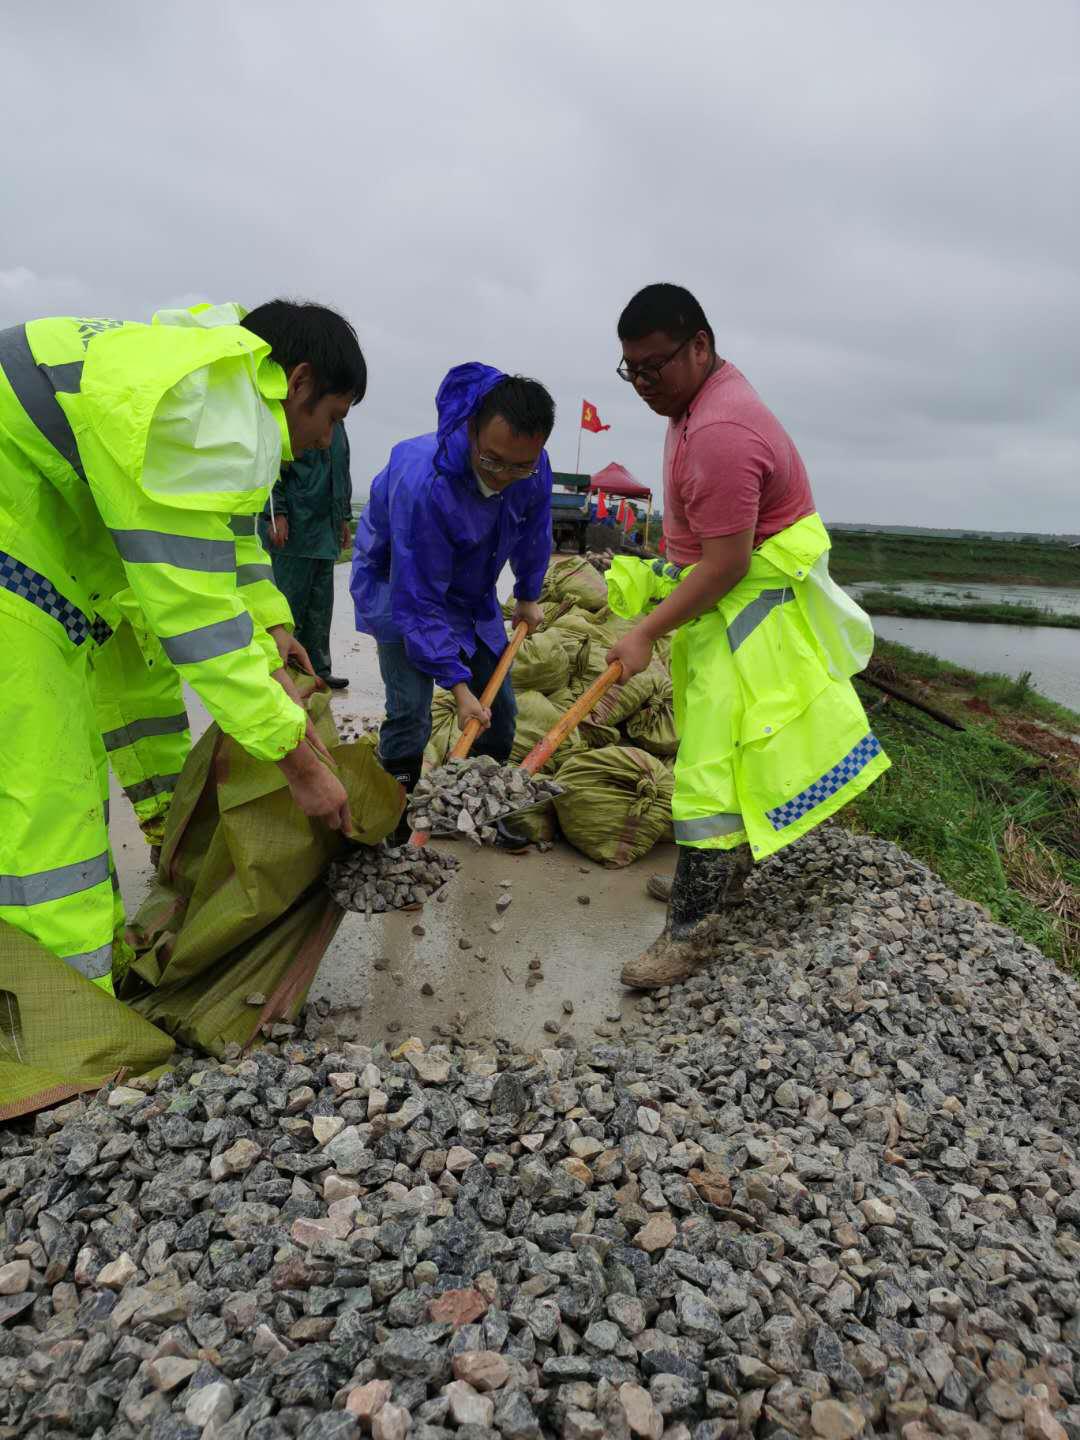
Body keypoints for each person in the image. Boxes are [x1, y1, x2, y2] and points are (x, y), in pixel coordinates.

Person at [0, 299, 365, 994]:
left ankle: (99, 950)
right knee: (48, 794)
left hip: (41, 525)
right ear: (301, 381)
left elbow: (229, 537)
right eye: (333, 417)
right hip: (16, 543)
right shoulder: (212, 414)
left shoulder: (212, 384)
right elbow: (199, 625)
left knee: (87, 740)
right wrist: (299, 764)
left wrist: (274, 627)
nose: (326, 440)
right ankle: (67, 1023)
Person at [605, 284, 889, 989]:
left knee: (705, 774)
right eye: (630, 369)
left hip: (748, 616)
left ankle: (690, 935)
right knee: (725, 762)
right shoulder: (696, 401)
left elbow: (727, 565)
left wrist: (644, 631)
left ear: (700, 345)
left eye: (654, 366)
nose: (642, 383)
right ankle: (718, 883)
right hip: (729, 609)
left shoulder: (722, 431)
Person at [351, 364, 554, 847]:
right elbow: (417, 597)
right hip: (398, 588)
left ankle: (483, 802)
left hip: (471, 593)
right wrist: (458, 687)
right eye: (493, 461)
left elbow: (534, 527)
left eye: (520, 465)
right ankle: (393, 819)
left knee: (499, 711)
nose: (505, 477)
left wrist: (527, 592)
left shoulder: (531, 466)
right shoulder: (426, 484)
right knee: (411, 711)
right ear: (471, 429)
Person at [262, 419, 353, 690]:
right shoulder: (293, 418)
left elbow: (342, 472)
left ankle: (319, 670)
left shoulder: (337, 425)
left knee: (320, 607)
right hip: (296, 526)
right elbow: (271, 469)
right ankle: (283, 671)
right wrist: (276, 511)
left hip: (326, 528)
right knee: (289, 605)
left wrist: (344, 518)